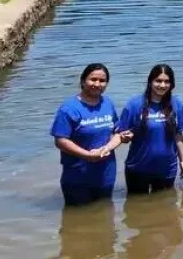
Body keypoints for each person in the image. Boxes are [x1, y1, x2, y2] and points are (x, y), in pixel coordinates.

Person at [50, 63, 129, 206]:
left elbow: (117, 132)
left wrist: (111, 146)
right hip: (78, 176)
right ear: (82, 81)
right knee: (77, 223)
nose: (97, 84)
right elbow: (60, 140)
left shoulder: (107, 103)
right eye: (93, 79)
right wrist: (87, 155)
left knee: (105, 218)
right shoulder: (69, 108)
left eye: (102, 81)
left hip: (106, 175)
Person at [118, 64, 183, 194]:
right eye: (158, 81)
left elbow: (178, 134)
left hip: (167, 168)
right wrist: (124, 138)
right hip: (138, 168)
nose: (162, 85)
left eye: (167, 81)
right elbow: (120, 135)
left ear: (172, 84)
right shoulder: (134, 104)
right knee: (137, 210)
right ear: (150, 81)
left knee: (165, 208)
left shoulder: (176, 104)